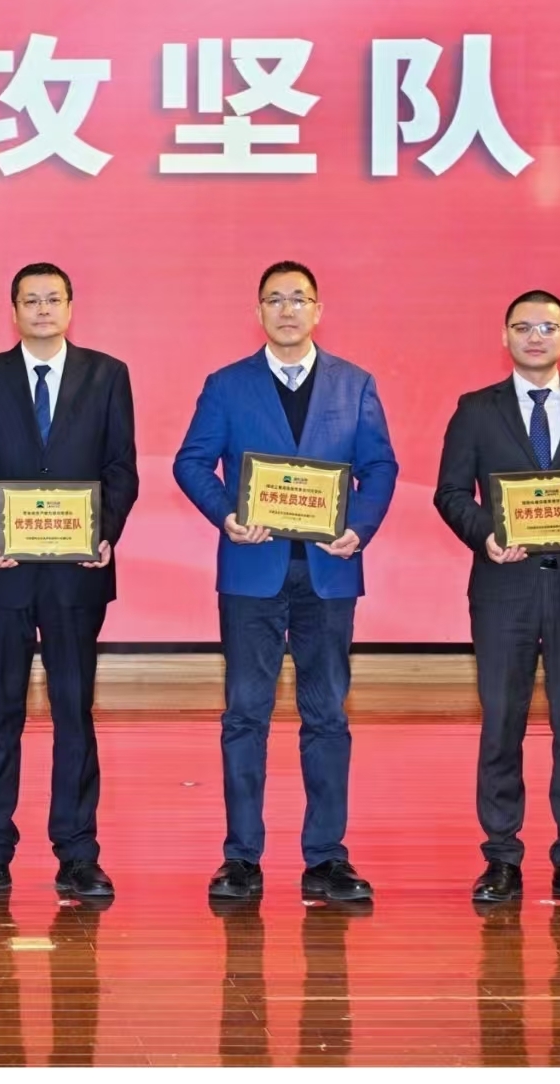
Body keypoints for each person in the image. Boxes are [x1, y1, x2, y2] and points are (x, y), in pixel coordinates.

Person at [171, 260, 400, 906]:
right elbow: (191, 462)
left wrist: (358, 527)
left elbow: (381, 466)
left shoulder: (355, 384)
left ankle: (326, 857)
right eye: (275, 299)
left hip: (329, 570)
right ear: (259, 313)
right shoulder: (226, 385)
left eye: (299, 298)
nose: (288, 309)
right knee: (246, 713)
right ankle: (241, 857)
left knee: (326, 715)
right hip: (252, 571)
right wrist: (227, 514)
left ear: (318, 310)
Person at [431, 288, 560, 906]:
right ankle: (501, 857)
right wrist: (486, 534)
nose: (535, 337)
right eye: (523, 327)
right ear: (505, 337)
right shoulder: (476, 410)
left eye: (547, 327)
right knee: (502, 723)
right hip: (504, 589)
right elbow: (450, 493)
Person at [0, 262, 140, 903]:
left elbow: (121, 467)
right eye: (29, 301)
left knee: (73, 712)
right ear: (14, 311)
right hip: (4, 570)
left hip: (77, 574)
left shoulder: (108, 375)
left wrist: (104, 530)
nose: (41, 309)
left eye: (52, 299)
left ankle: (78, 854)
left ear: (70, 307)